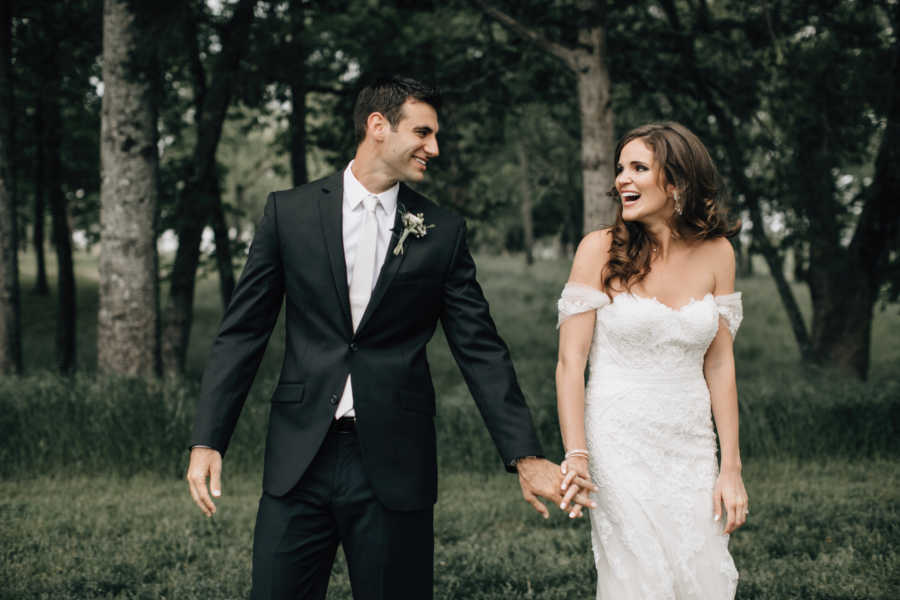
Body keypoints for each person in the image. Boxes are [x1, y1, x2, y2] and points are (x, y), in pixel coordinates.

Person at [185, 75, 596, 600]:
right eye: (422, 133)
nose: (435, 148)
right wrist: (207, 438)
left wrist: (524, 454)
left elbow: (480, 348)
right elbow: (242, 333)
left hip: (395, 463)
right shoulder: (288, 213)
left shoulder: (441, 230)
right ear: (378, 126)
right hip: (298, 458)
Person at [555, 122, 749, 598]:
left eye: (638, 168)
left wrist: (731, 468)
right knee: (639, 575)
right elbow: (570, 363)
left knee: (699, 569)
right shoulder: (598, 249)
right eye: (621, 168)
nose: (623, 178)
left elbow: (720, 365)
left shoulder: (718, 253)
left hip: (690, 441)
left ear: (677, 182)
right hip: (617, 438)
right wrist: (576, 454)